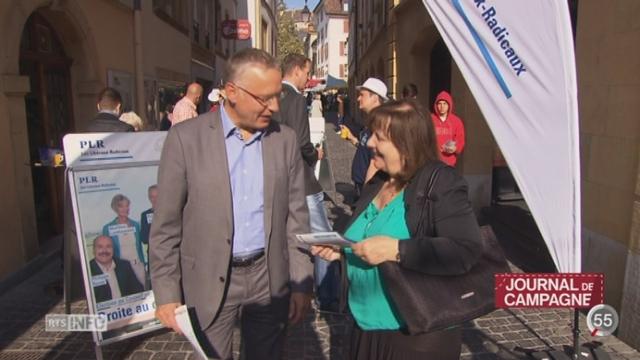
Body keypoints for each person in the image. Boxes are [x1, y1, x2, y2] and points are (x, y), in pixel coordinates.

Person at [150, 48, 313, 359]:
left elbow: (296, 218)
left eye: (277, 96)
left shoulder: (285, 140)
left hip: (269, 278)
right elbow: (165, 225)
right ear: (232, 92)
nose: (275, 106)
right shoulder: (185, 139)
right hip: (209, 279)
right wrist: (167, 293)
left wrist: (302, 282)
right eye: (266, 98)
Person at [312, 100, 483, 359]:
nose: (369, 143)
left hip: (416, 337)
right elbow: (368, 236)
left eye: (378, 137)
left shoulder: (442, 182)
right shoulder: (379, 181)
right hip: (365, 327)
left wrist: (397, 249)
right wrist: (343, 251)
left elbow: (465, 250)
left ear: (406, 143)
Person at [274, 54, 339, 312]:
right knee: (323, 238)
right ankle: (328, 297)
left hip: (278, 180)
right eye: (307, 73)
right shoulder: (296, 100)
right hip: (302, 179)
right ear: (297, 70)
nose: (307, 79)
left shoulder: (271, 96)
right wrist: (316, 154)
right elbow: (302, 143)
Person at [340, 77, 387, 199]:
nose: (358, 98)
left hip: (369, 187)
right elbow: (366, 147)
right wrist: (352, 138)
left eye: (362, 95)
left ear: (375, 98)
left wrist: (366, 195)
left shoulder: (380, 123)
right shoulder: (371, 120)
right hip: (360, 184)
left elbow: (375, 163)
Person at [102, 194, 146, 288]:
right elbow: (106, 250)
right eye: (121, 206)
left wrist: (143, 263)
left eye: (127, 205)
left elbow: (139, 247)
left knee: (144, 292)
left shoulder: (135, 225)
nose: (125, 208)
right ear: (115, 208)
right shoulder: (108, 228)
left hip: (138, 266)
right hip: (120, 268)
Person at [89, 235, 144, 303]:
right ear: (93, 250)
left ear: (113, 249)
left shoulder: (124, 265)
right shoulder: (88, 271)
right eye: (100, 247)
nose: (104, 251)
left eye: (108, 246)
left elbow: (139, 290)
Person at [431, 91, 465, 167]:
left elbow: (460, 140)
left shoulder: (456, 121)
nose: (442, 106)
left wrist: (455, 148)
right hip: (433, 162)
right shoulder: (430, 119)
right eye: (439, 104)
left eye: (444, 104)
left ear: (449, 105)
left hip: (449, 163)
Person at [139, 184, 158, 288]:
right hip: (153, 255)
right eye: (152, 197)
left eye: (157, 196)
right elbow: (144, 238)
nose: (154, 199)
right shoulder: (145, 215)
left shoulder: (171, 211)